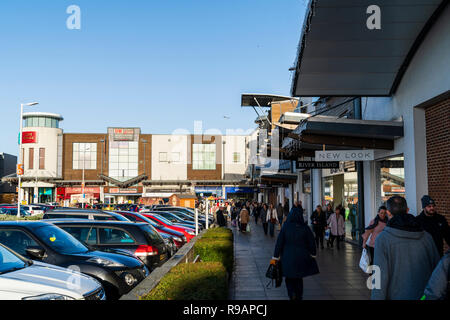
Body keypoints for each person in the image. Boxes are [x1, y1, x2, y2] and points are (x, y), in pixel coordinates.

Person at [371, 196, 440, 300]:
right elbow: (437, 271)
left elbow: (379, 277)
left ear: (388, 213)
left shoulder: (383, 239)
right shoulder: (427, 237)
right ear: (407, 210)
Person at [271, 208, 319, 300]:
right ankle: (299, 295)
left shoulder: (286, 227)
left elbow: (279, 242)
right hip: (301, 257)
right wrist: (313, 254)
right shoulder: (305, 227)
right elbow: (312, 242)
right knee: (299, 278)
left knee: (289, 277)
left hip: (287, 257)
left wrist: (275, 256)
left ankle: (291, 293)